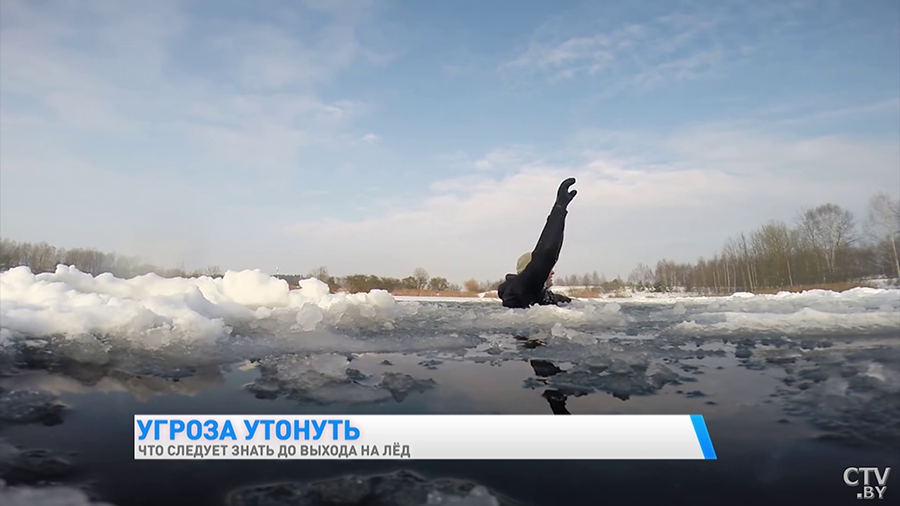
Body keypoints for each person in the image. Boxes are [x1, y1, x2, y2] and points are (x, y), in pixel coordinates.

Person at [497, 177, 577, 308]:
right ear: (532, 269)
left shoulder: (541, 294)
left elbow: (564, 301)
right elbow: (546, 254)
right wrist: (560, 208)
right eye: (547, 269)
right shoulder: (520, 291)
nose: (552, 272)